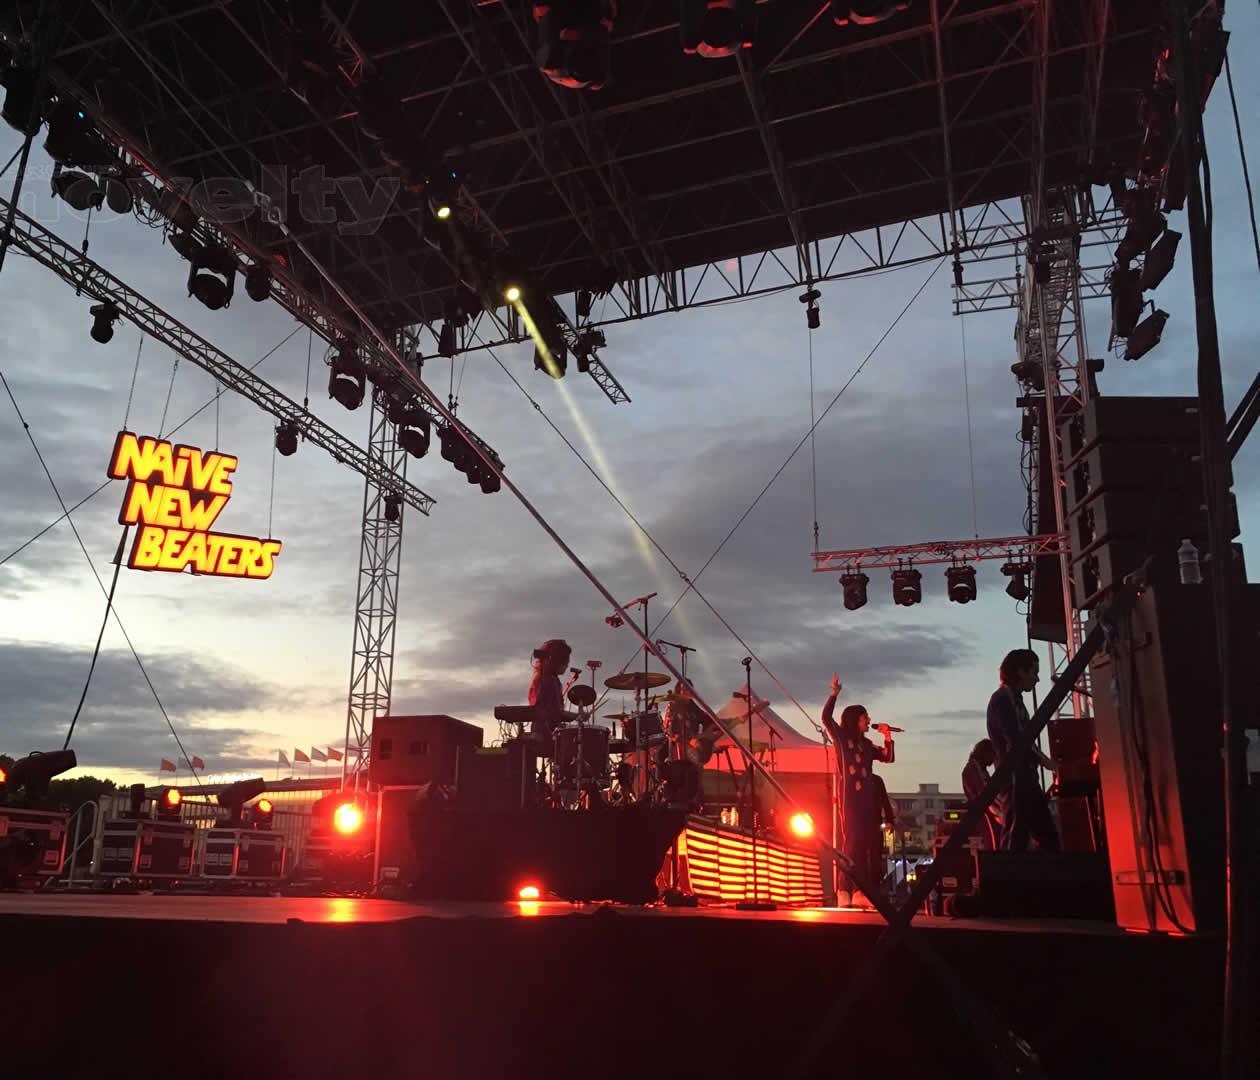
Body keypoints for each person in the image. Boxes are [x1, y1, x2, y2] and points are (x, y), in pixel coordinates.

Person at [821, 673, 895, 908]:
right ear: (855, 719)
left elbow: (888, 758)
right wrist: (834, 693)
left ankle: (859, 891)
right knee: (851, 844)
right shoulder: (842, 738)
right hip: (850, 799)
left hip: (867, 803)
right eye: (865, 717)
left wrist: (887, 736)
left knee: (862, 846)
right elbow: (825, 718)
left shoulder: (866, 745)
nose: (868, 720)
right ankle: (844, 889)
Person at [986, 649, 1060, 853]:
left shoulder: (1012, 699)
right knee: (1016, 837)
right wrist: (1048, 764)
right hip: (1016, 779)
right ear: (1020, 672)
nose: (1037, 679)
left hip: (1023, 778)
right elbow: (1017, 739)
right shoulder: (1004, 699)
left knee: (1045, 837)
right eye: (1034, 673)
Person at [528, 638, 572, 747]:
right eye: (566, 662)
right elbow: (556, 713)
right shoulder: (549, 681)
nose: (567, 666)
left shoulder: (544, 678)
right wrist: (578, 716)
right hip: (546, 735)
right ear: (556, 661)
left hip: (543, 732)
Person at [961, 738, 1000, 849]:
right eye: (992, 755)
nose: (993, 760)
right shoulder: (973, 769)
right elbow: (983, 792)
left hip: (986, 812)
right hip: (984, 812)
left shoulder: (978, 769)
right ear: (985, 753)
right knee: (992, 839)